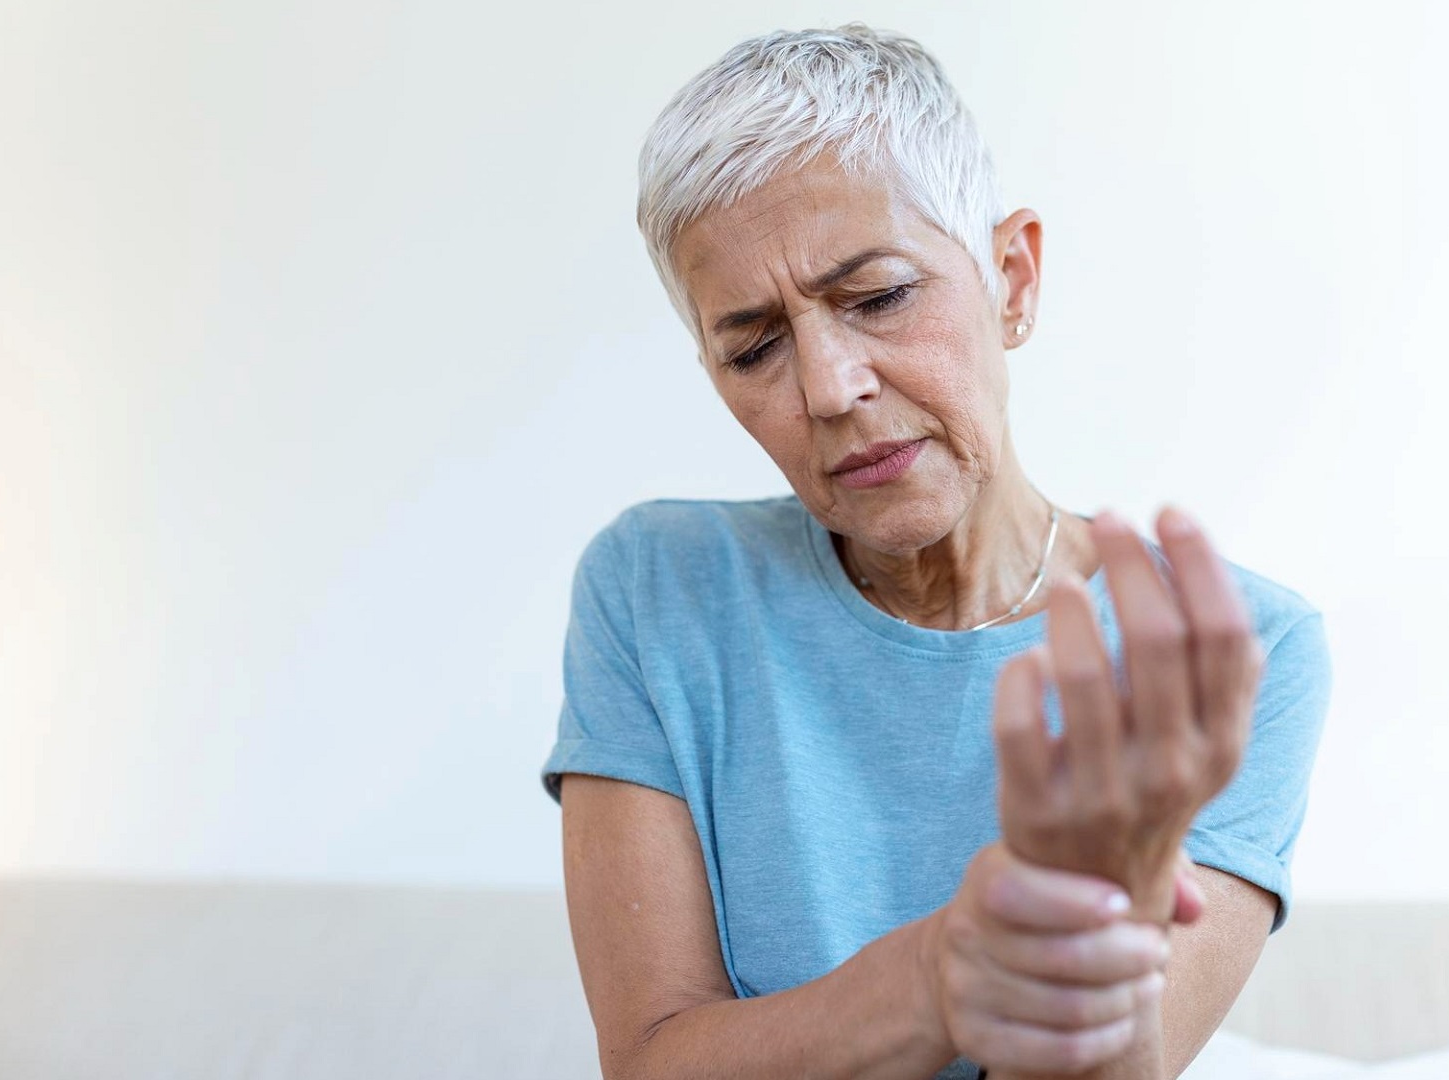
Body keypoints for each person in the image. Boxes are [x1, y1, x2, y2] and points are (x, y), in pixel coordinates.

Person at [539, 24, 1330, 1080]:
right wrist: (944, 974)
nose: (829, 387)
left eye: (877, 299)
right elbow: (651, 1062)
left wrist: (1086, 942)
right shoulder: (658, 589)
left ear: (1012, 278)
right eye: (755, 346)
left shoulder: (1233, 649)